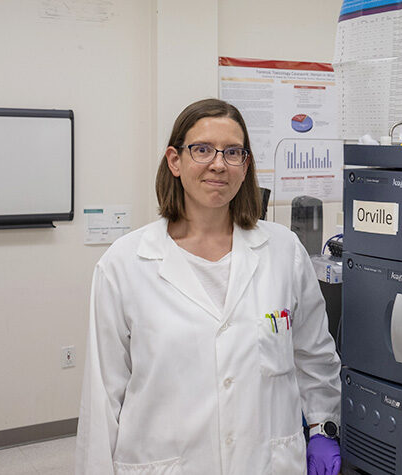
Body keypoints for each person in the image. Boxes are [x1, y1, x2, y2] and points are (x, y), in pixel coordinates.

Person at [76, 99, 342, 474]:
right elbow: (103, 398)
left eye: (233, 152)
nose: (219, 163)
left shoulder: (284, 252)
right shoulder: (124, 264)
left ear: (245, 165)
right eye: (202, 149)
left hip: (266, 462)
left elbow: (315, 357)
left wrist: (322, 427)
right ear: (175, 160)